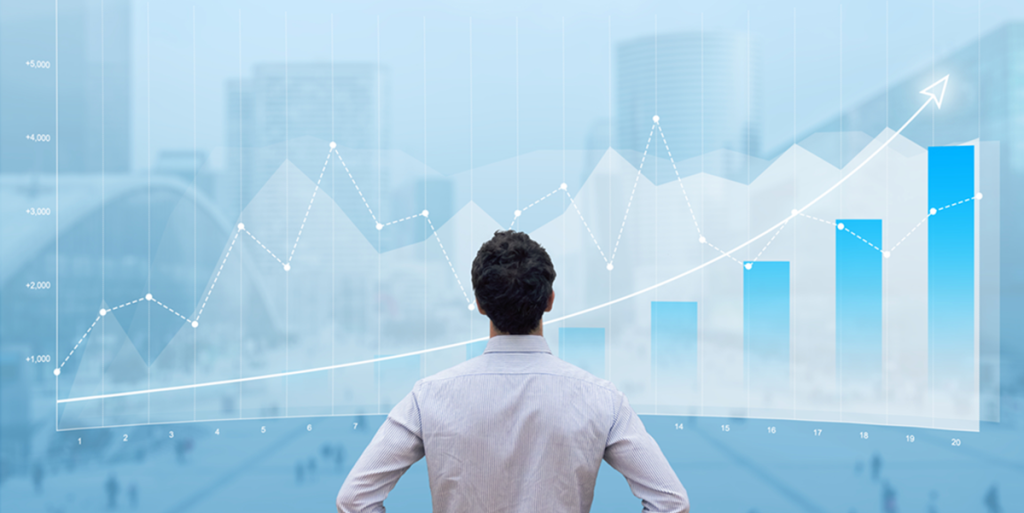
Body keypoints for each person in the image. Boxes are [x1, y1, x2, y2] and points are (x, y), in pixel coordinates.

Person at [337, 230, 689, 512]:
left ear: (479, 304)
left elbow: (354, 500)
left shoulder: (427, 397)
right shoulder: (602, 399)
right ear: (550, 300)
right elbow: (671, 503)